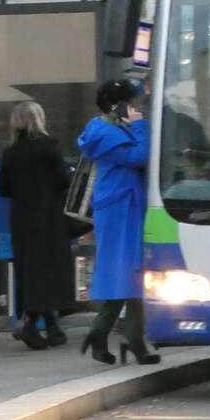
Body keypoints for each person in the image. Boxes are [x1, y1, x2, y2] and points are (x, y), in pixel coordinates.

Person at [76, 78, 159, 365]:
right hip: (120, 207)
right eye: (133, 101)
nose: (137, 107)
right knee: (131, 270)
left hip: (122, 205)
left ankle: (110, 334)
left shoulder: (106, 129)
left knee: (133, 270)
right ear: (118, 105)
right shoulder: (107, 134)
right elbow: (139, 156)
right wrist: (140, 125)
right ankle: (126, 337)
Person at [0, 101, 75, 351]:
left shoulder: (11, 152)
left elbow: (3, 188)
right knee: (50, 269)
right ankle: (32, 325)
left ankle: (51, 326)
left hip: (22, 220)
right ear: (39, 119)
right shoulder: (49, 146)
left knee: (29, 271)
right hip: (48, 218)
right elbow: (63, 180)